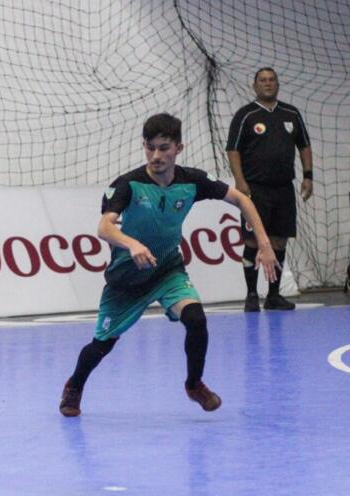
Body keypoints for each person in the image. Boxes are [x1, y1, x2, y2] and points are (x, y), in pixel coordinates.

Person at [59, 113, 279, 417]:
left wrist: (264, 244)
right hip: (127, 278)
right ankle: (74, 385)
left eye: (164, 148)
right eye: (150, 148)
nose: (156, 156)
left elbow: (242, 200)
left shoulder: (192, 181)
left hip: (167, 270)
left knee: (196, 319)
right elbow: (104, 227)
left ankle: (194, 384)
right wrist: (133, 244)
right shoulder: (128, 185)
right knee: (102, 345)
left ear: (179, 148)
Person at [226, 67, 313, 312]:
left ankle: (273, 295)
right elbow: (233, 149)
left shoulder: (291, 113)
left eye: (272, 80)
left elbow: (304, 146)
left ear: (277, 84)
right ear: (255, 85)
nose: (268, 83)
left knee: (279, 241)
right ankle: (252, 294)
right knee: (253, 240)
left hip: (284, 188)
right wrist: (240, 181)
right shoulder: (246, 115)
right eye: (262, 80)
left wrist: (308, 176)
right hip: (256, 189)